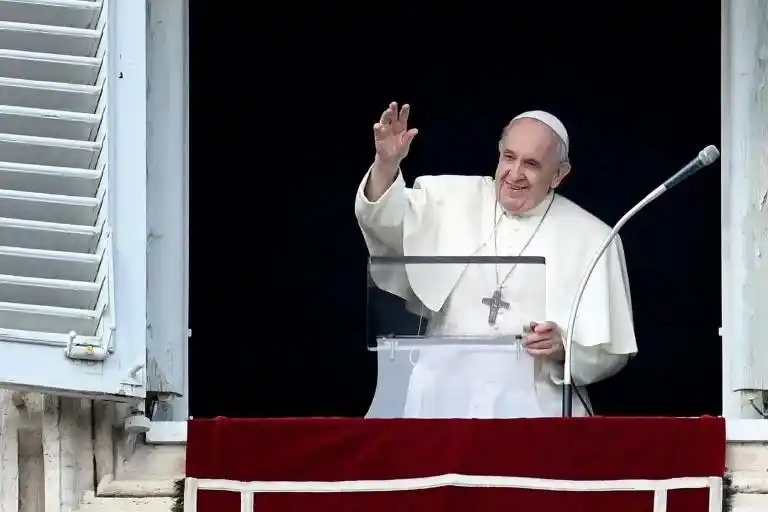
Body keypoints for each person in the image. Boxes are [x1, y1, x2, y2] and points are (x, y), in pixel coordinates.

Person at [355, 102, 637, 418]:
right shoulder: (450, 197)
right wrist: (385, 164)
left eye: (531, 164)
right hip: (441, 396)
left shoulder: (593, 238)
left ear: (558, 174)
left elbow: (612, 349)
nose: (514, 174)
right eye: (509, 157)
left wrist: (566, 349)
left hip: (534, 408)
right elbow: (384, 223)